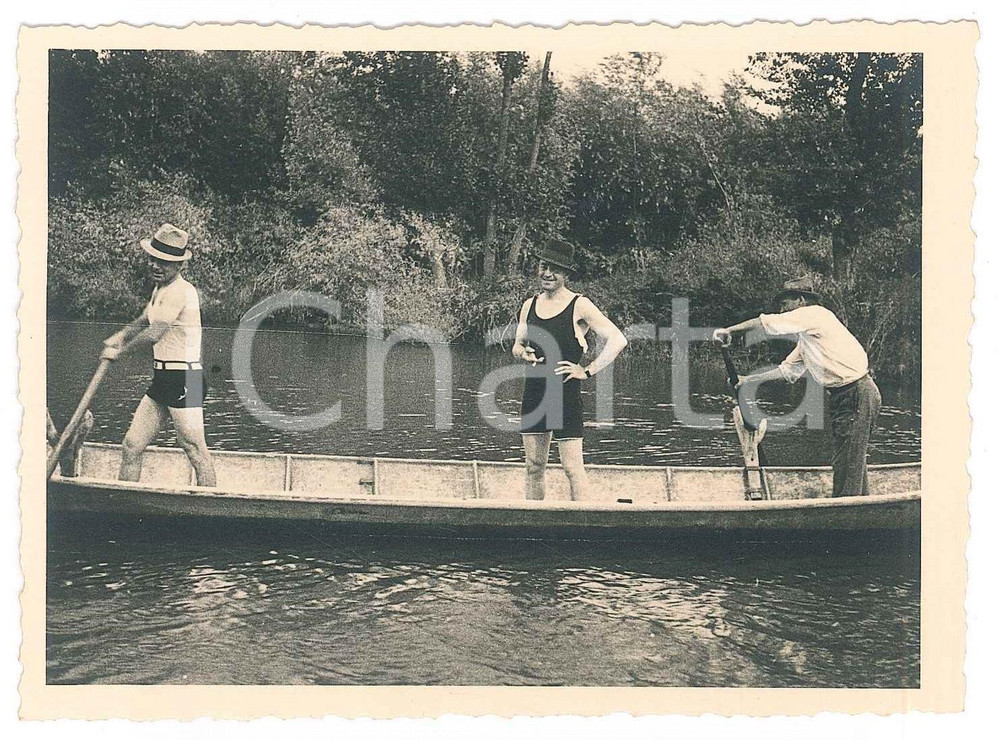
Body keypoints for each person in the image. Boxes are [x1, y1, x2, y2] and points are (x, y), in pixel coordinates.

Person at [713, 276, 881, 498]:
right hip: (845, 397)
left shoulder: (815, 314)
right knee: (850, 457)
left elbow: (766, 322)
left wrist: (730, 330)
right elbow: (787, 371)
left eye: (785, 303)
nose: (782, 309)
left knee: (848, 459)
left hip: (857, 394)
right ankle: (860, 505)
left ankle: (846, 512)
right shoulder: (808, 338)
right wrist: (748, 380)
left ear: (800, 301)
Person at [101, 223, 216, 487]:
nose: (156, 265)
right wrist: (121, 335)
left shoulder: (182, 291)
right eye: (154, 259)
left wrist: (120, 352)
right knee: (132, 444)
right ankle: (126, 501)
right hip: (163, 378)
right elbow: (144, 319)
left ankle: (212, 508)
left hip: (186, 379)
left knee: (195, 449)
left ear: (180, 266)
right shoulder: (161, 289)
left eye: (164, 262)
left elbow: (155, 333)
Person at [512, 238, 628, 501]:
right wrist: (524, 352)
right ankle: (533, 523)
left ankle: (584, 526)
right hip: (534, 391)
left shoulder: (580, 305)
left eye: (554, 269)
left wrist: (586, 371)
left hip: (565, 394)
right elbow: (517, 346)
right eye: (543, 266)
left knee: (572, 469)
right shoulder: (529, 305)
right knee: (533, 467)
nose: (547, 273)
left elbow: (618, 340)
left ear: (565, 274)